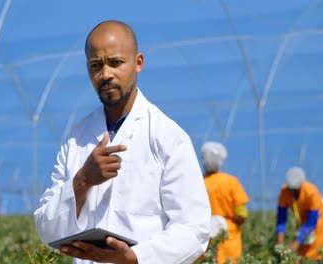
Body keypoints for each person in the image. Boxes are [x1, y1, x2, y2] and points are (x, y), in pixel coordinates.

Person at [34, 20, 211, 264]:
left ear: (138, 63)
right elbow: (46, 229)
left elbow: (194, 230)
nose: (105, 74)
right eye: (96, 65)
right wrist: (83, 179)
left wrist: (136, 258)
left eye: (116, 63)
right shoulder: (76, 139)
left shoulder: (167, 137)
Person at [200, 141, 249, 264]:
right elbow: (241, 214)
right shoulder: (231, 182)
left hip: (205, 238)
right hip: (229, 238)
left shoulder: (198, 184)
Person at [276, 167, 323, 261]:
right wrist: (280, 241)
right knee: (301, 257)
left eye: (295, 190)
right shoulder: (284, 192)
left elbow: (312, 221)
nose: (292, 192)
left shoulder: (311, 192)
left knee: (316, 255)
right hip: (303, 223)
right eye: (290, 189)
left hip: (319, 224)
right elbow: (281, 218)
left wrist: (297, 241)